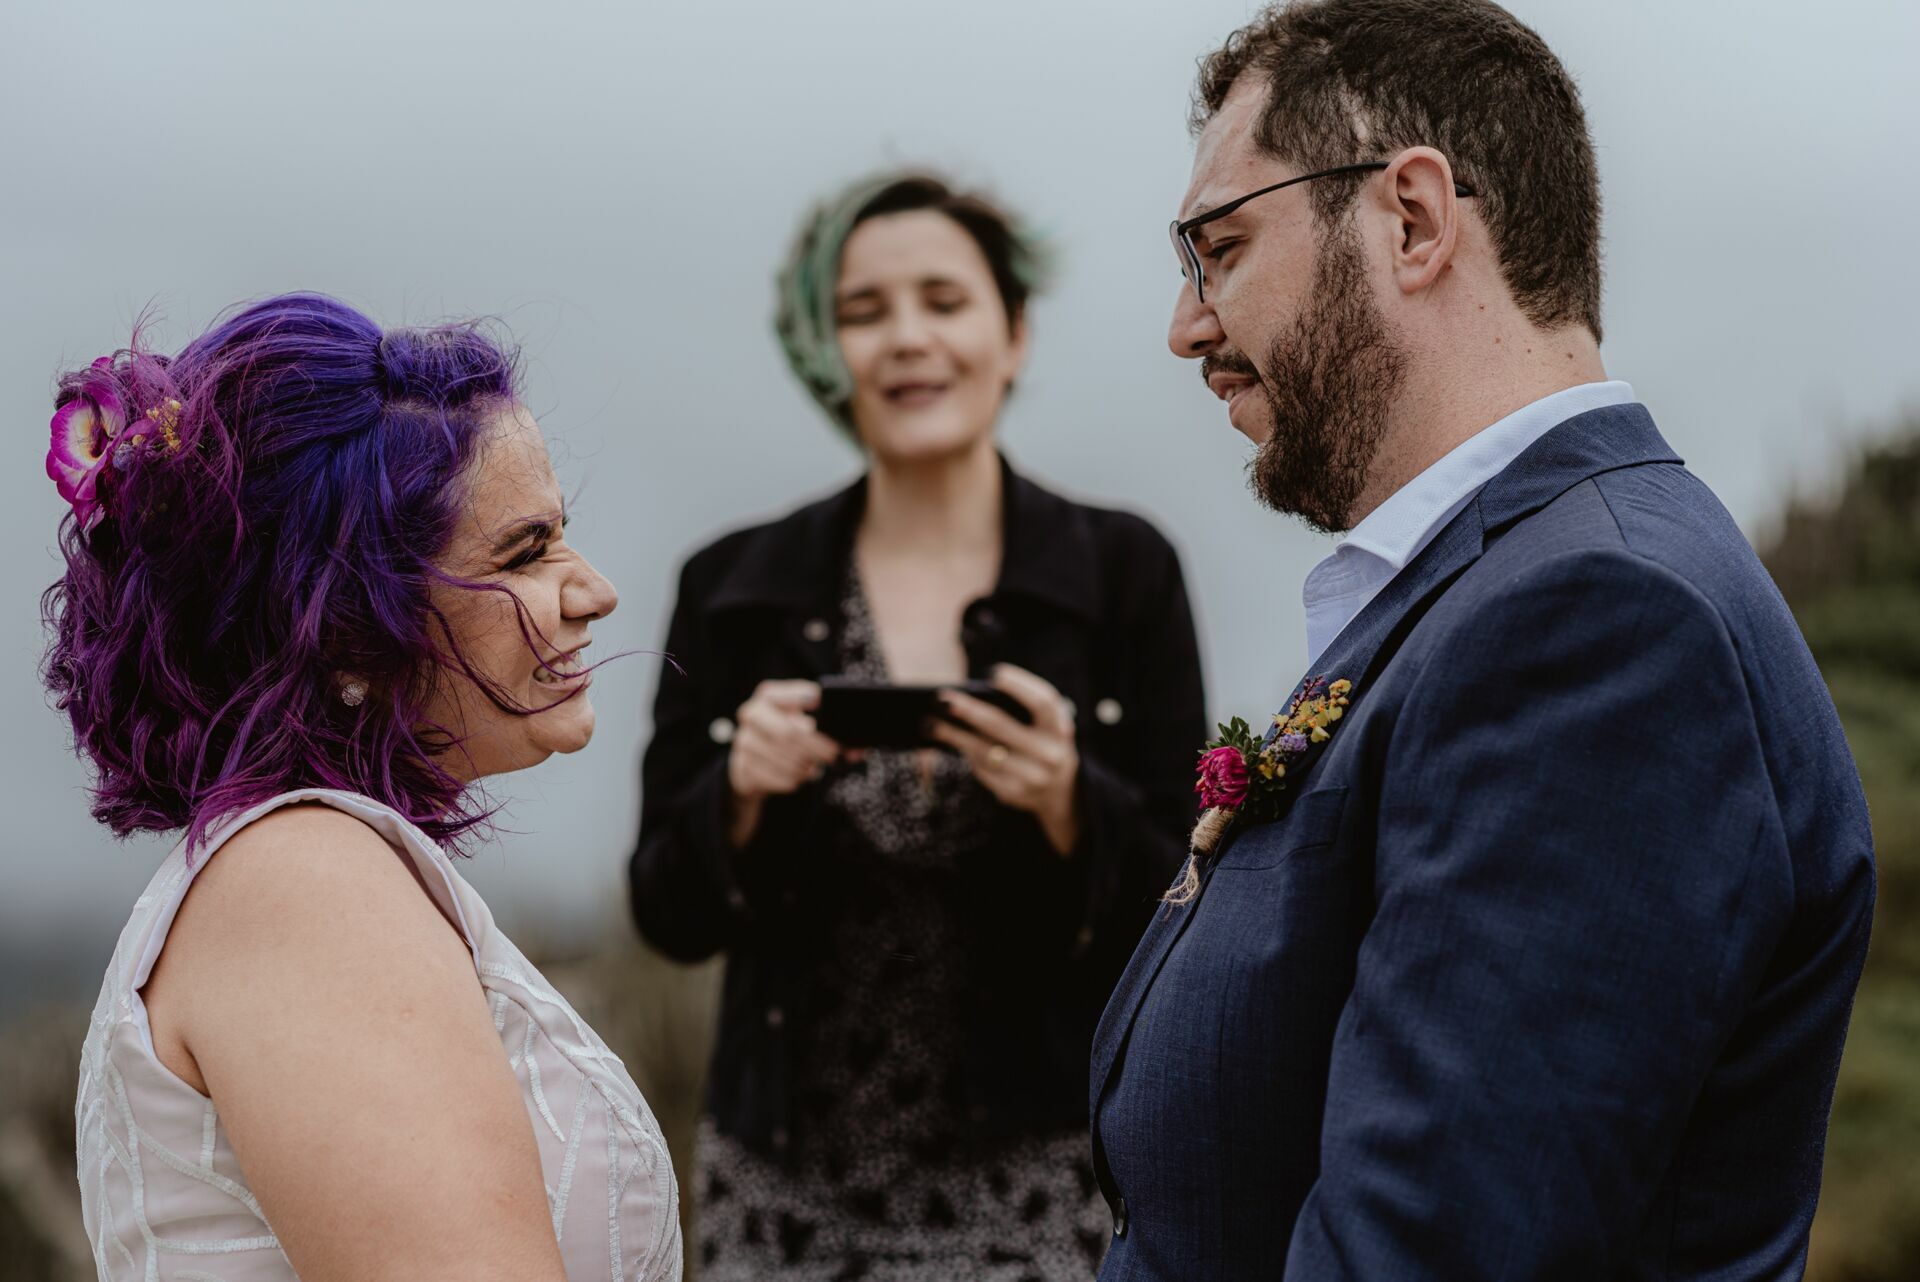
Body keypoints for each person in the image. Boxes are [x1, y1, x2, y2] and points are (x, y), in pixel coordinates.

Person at [1089, 2, 1876, 1278]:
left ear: (1412, 218)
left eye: (1217, 247)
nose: (1187, 324)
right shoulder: (1498, 586)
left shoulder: (1602, 628)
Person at [629, 172, 1205, 1279]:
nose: (905, 339)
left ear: (1015, 331)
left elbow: (1189, 906)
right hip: (782, 1196)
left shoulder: (1124, 573)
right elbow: (667, 908)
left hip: (1048, 1181)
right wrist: (736, 795)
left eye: (943, 300)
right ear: (825, 347)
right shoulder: (732, 587)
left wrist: (1067, 799)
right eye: (863, 311)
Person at [51, 294, 681, 1281]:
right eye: (526, 550)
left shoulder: (309, 866)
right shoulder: (306, 882)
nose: (593, 589)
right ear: (346, 621)